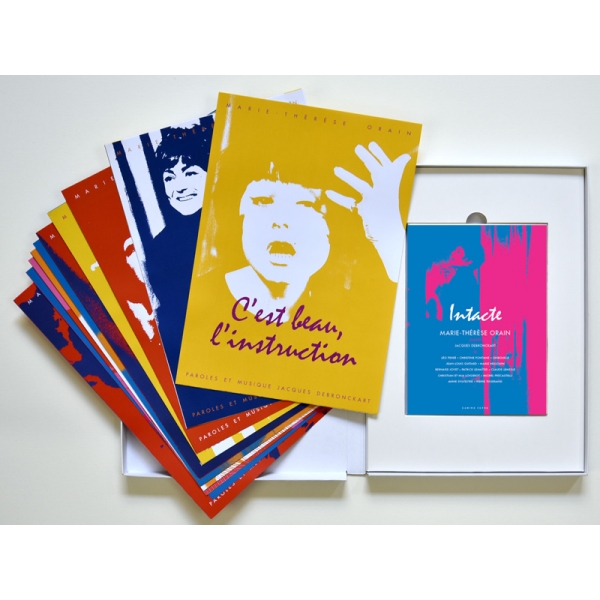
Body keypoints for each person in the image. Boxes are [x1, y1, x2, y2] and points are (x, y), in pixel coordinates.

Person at [224, 141, 411, 321]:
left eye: (306, 204)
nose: (281, 221)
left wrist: (392, 245)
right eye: (263, 201)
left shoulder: (359, 307)